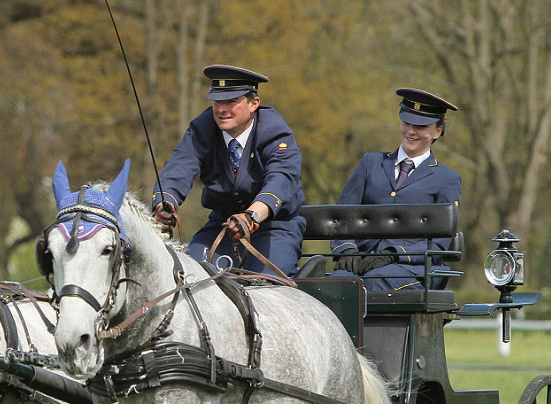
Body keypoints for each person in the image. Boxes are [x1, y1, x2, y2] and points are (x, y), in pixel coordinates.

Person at [151, 64, 305, 276]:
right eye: (217, 101)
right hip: (221, 225)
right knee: (188, 279)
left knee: (267, 289)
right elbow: (180, 166)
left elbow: (281, 179)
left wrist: (252, 217)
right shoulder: (202, 128)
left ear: (254, 104)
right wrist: (164, 203)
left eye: (232, 101)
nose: (222, 109)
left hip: (274, 227)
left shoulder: (274, 131)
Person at [331, 88, 460, 291]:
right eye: (406, 123)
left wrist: (395, 253)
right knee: (334, 285)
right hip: (361, 262)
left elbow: (439, 242)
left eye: (421, 126)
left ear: (438, 130)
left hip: (413, 268)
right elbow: (341, 215)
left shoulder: (447, 179)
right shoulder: (370, 163)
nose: (410, 131)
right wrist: (347, 249)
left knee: (375, 281)